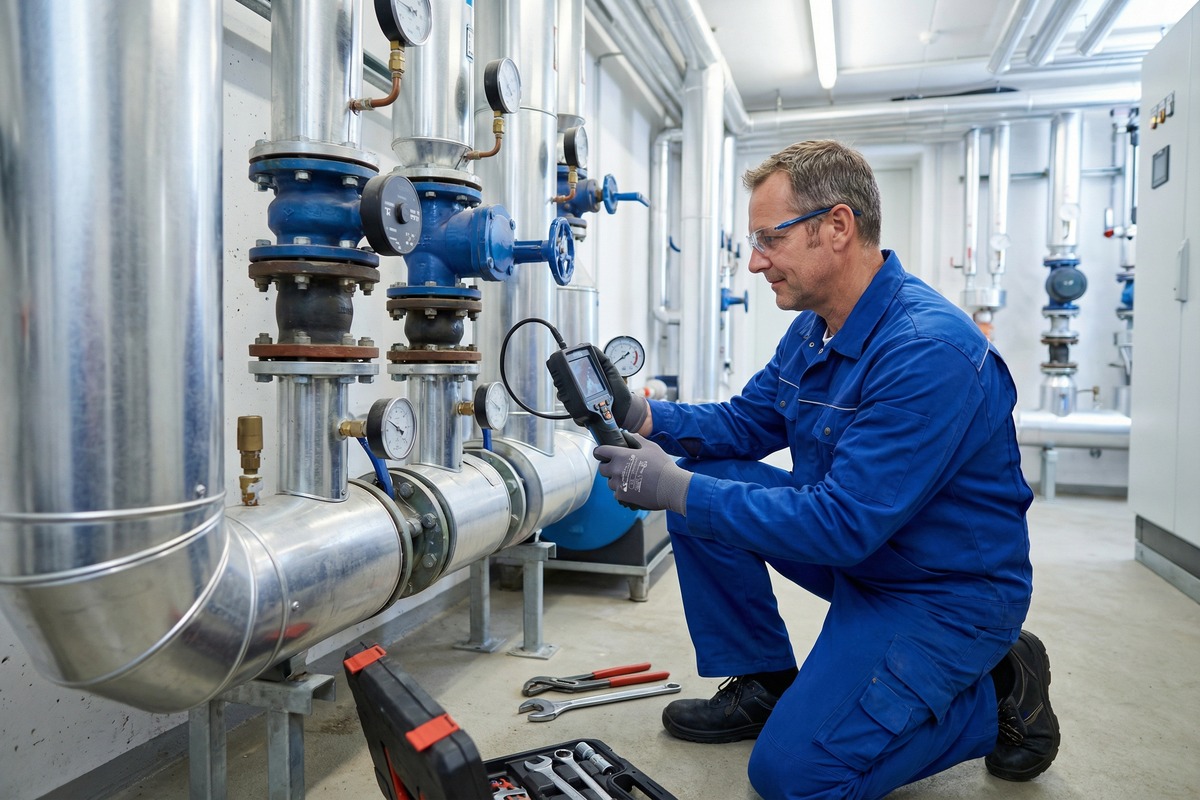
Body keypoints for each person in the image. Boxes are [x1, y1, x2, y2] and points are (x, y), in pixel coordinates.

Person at [582, 140, 1059, 799]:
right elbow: (745, 424)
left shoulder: (927, 351)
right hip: (870, 558)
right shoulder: (817, 327)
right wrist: (642, 415)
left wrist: (675, 487)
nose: (756, 261)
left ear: (837, 226)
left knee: (794, 777)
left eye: (769, 239)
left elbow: (842, 523)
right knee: (712, 481)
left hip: (943, 594)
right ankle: (766, 682)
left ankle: (1002, 687)